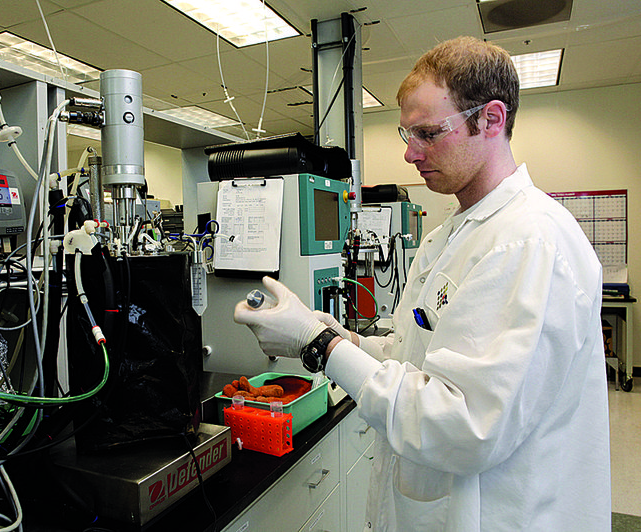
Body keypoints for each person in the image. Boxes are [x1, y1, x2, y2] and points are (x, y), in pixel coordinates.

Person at [234, 36, 611, 531]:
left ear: (492, 119)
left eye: (429, 133)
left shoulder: (526, 242)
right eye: (405, 133)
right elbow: (415, 359)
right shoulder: (450, 237)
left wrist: (318, 345)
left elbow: (462, 426)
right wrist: (344, 338)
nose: (411, 155)